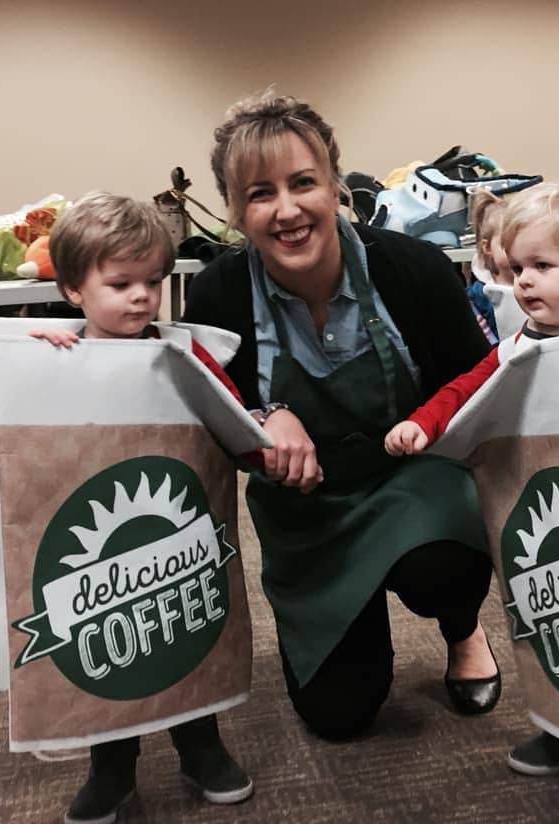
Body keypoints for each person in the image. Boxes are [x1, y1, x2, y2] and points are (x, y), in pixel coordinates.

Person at [182, 92, 500, 742]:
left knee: (442, 568)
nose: (288, 209)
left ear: (334, 186)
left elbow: (481, 389)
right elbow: (205, 411)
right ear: (237, 212)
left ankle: (462, 627)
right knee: (340, 716)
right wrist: (265, 414)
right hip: (309, 514)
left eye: (304, 183)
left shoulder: (410, 269)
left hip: (412, 481)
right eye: (260, 193)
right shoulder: (217, 293)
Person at [385, 178, 559, 824]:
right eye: (515, 268)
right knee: (551, 629)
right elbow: (464, 390)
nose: (522, 282)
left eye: (541, 266)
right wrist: (424, 423)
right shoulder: (520, 344)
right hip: (546, 516)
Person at [29, 192, 255, 824]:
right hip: (94, 541)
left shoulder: (183, 353)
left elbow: (230, 413)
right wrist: (35, 359)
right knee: (108, 644)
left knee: (182, 633)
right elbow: (4, 426)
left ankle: (202, 749)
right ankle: (112, 768)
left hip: (173, 523)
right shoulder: (57, 357)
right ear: (74, 289)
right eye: (120, 282)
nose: (141, 297)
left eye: (153, 281)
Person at [468, 189, 525, 342]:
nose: (518, 251)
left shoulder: (541, 286)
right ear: (487, 248)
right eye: (507, 244)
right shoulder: (476, 299)